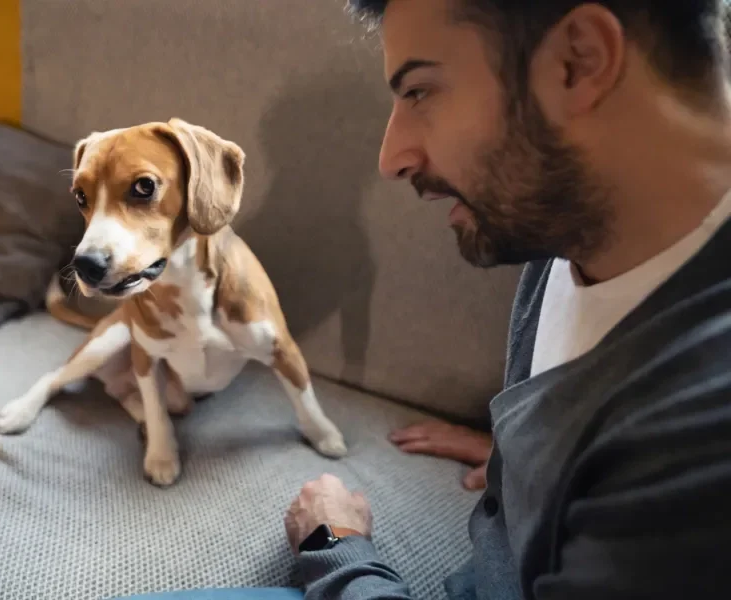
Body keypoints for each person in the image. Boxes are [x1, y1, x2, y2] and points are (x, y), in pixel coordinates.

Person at [282, 0, 731, 599]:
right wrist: (535, 458)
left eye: (419, 91)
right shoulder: (573, 216)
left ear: (580, 60)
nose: (392, 159)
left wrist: (335, 549)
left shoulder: (696, 445)